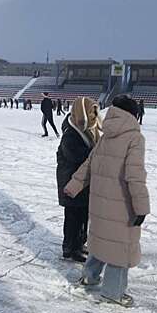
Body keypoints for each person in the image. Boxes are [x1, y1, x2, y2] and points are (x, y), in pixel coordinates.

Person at [64, 94, 150, 308]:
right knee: (119, 249)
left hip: (100, 204)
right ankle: (113, 292)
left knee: (100, 241)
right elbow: (135, 176)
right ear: (133, 115)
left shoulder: (105, 134)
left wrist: (73, 186)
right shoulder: (134, 138)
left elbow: (88, 164)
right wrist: (141, 208)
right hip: (121, 206)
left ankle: (89, 277)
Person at [57, 97, 101, 263]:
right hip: (71, 182)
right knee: (73, 217)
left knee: (83, 215)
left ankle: (79, 243)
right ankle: (69, 247)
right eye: (90, 112)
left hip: (82, 183)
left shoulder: (86, 130)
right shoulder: (71, 134)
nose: (93, 116)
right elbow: (77, 156)